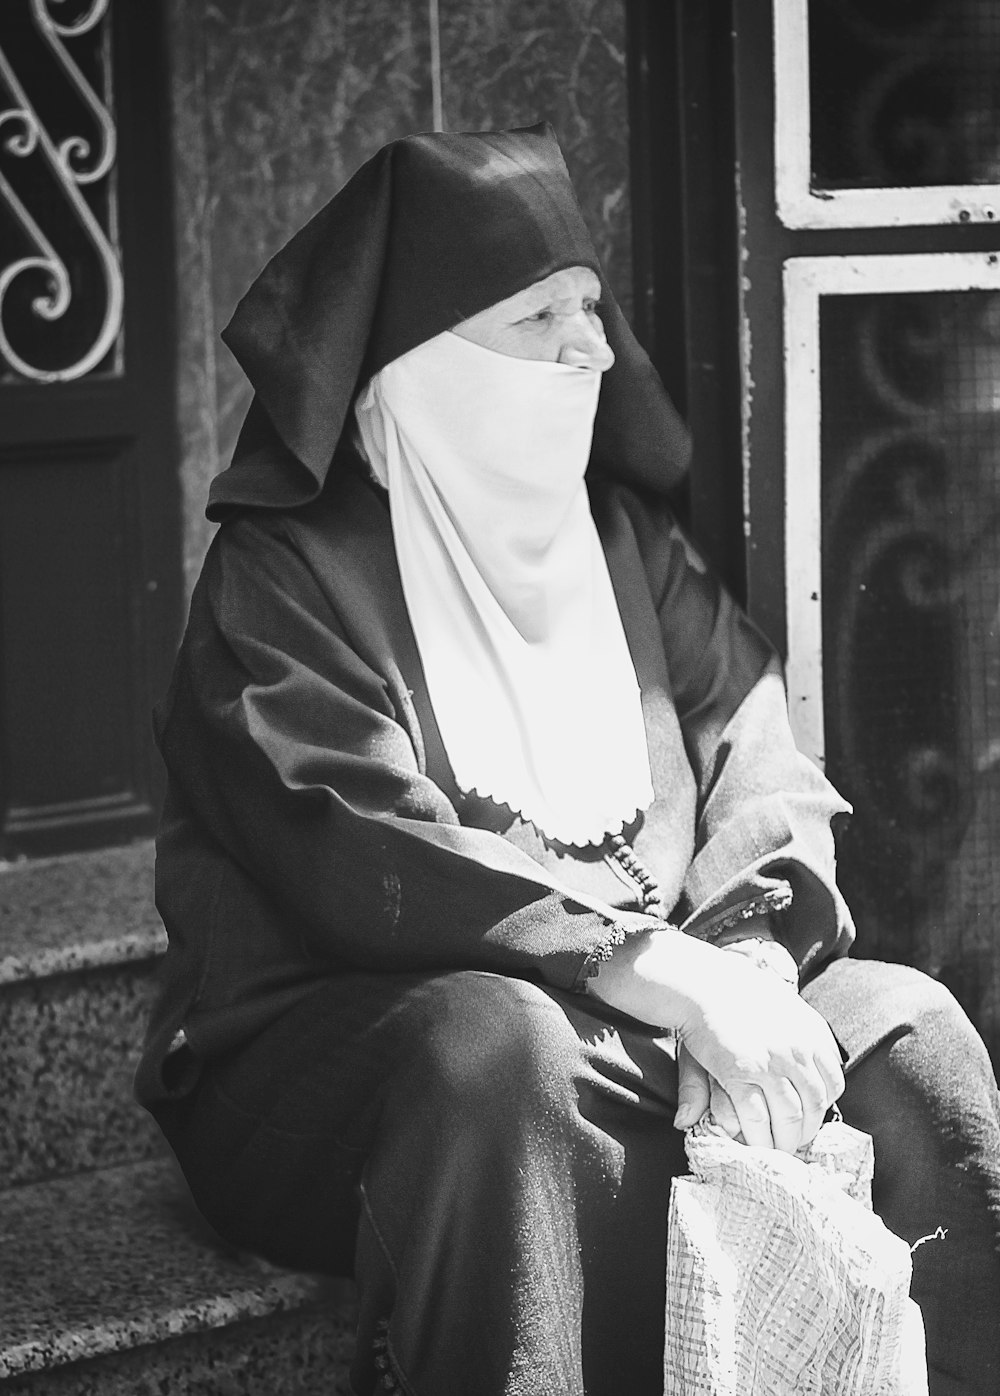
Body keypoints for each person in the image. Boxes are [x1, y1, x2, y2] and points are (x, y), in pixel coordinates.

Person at [138, 124, 1000, 1395]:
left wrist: (750, 962)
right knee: (503, 1052)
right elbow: (358, 843)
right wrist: (660, 976)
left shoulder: (627, 547)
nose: (593, 347)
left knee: (909, 1034)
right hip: (350, 1057)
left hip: (651, 1015)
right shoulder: (280, 579)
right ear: (420, 366)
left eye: (591, 308)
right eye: (539, 315)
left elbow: (759, 761)